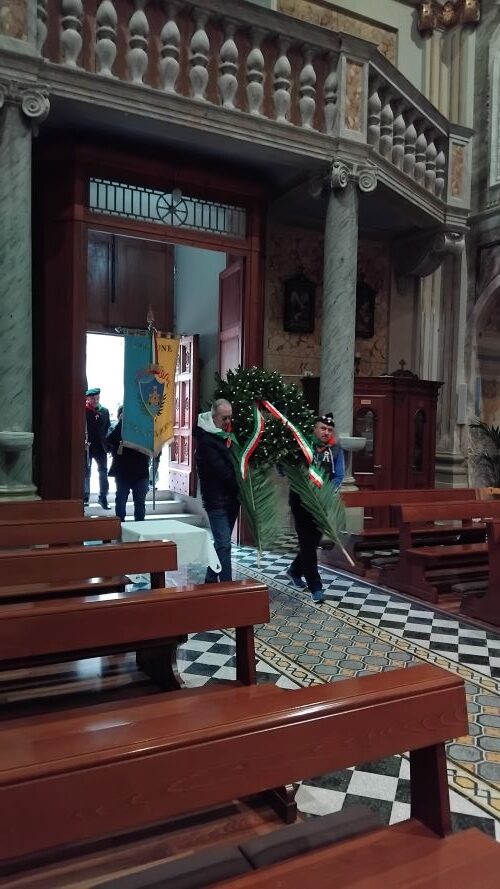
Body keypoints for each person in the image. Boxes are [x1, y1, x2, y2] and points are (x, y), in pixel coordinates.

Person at [287, 412, 345, 604]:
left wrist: (327, 491)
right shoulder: (303, 446)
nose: (326, 432)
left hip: (321, 502)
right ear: (314, 428)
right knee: (307, 543)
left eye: (329, 429)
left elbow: (338, 476)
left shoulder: (336, 450)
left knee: (312, 542)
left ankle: (294, 570)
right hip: (300, 501)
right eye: (323, 428)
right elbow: (287, 469)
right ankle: (316, 587)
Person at [195, 399, 238, 583]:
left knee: (221, 543)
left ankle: (210, 578)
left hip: (231, 499)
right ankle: (227, 586)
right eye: (224, 418)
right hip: (216, 500)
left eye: (230, 417)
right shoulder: (206, 441)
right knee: (224, 543)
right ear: (213, 418)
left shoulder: (226, 436)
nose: (228, 422)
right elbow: (221, 472)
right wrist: (241, 478)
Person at [106, 406, 150, 521]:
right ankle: (119, 526)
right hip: (122, 472)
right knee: (120, 501)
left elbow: (151, 443)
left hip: (140, 471)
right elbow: (109, 440)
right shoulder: (116, 428)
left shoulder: (142, 428)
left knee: (140, 503)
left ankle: (139, 527)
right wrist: (122, 423)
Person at [84, 387, 111, 509]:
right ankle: (85, 496)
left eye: (97, 398)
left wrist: (109, 445)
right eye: (93, 398)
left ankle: (103, 497)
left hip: (101, 447)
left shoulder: (104, 411)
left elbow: (108, 429)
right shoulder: (83, 410)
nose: (95, 401)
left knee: (103, 472)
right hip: (87, 446)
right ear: (87, 398)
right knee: (86, 472)